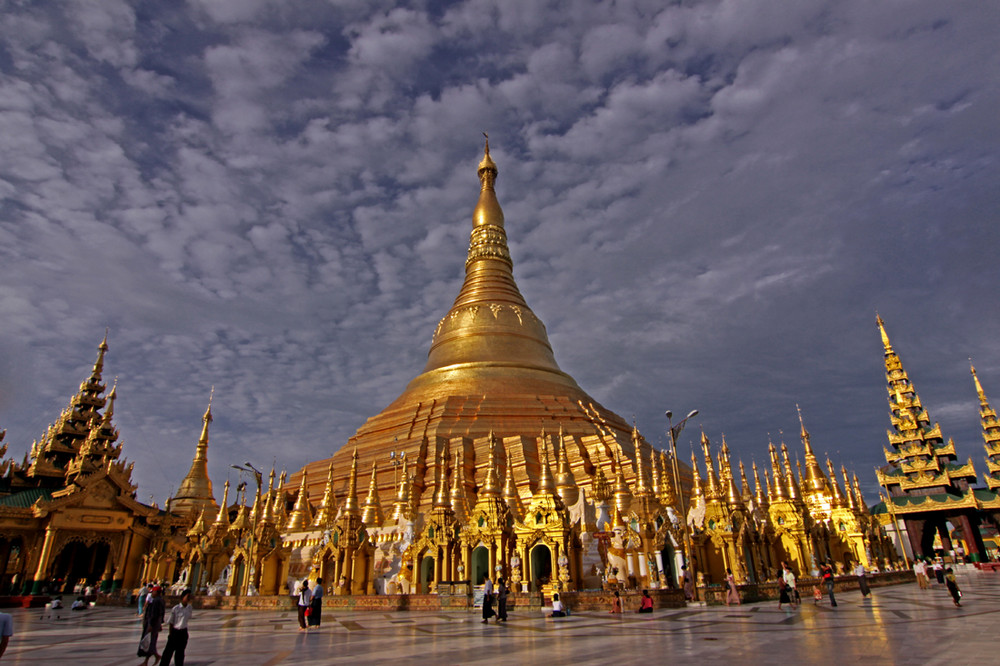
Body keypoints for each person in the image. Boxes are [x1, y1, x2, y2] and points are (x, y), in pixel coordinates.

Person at [161, 589, 193, 666]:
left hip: (184, 632)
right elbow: (171, 622)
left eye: (190, 597)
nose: (189, 598)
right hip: (175, 632)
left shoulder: (189, 608)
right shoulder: (176, 608)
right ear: (182, 597)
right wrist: (171, 634)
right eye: (187, 596)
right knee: (168, 652)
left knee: (180, 652)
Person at [139, 585, 165, 666]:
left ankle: (154, 657)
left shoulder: (156, 601)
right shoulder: (161, 600)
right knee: (151, 642)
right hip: (156, 624)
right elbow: (162, 613)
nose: (152, 593)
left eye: (153, 592)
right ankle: (147, 661)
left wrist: (150, 624)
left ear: (156, 592)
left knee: (150, 642)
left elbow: (153, 614)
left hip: (152, 624)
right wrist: (160, 623)